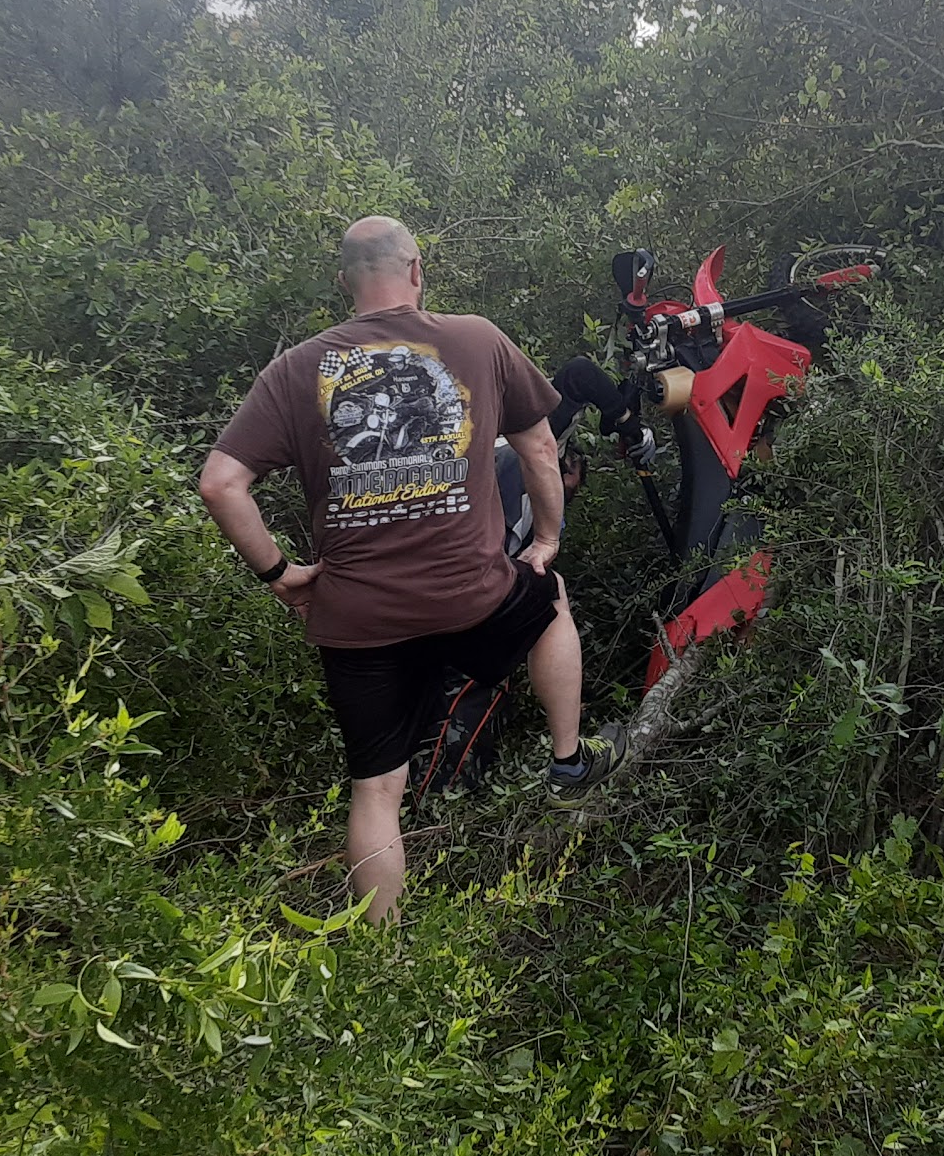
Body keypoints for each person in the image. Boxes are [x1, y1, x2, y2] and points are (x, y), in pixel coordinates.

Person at [197, 216, 626, 921]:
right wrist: (545, 537)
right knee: (548, 598)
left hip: (358, 620)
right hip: (472, 596)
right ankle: (568, 764)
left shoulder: (296, 369)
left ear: (345, 282)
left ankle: (382, 955)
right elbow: (542, 449)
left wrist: (280, 575)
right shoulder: (476, 339)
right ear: (417, 269)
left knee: (376, 790)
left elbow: (220, 484)